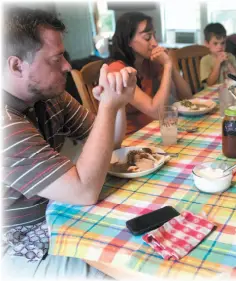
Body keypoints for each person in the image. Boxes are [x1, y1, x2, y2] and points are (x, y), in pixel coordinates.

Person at [1, 7, 137, 279]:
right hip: (20, 245)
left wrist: (118, 101)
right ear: (17, 65)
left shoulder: (50, 97)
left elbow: (111, 144)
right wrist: (107, 108)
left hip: (62, 217)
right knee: (122, 272)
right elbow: (83, 191)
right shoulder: (7, 125)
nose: (67, 65)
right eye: (56, 58)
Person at [108, 12, 192, 136]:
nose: (155, 43)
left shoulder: (149, 63)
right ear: (128, 41)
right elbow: (155, 111)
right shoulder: (117, 70)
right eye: (147, 37)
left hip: (152, 130)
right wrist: (167, 66)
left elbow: (187, 96)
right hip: (130, 139)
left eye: (154, 36)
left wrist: (170, 66)